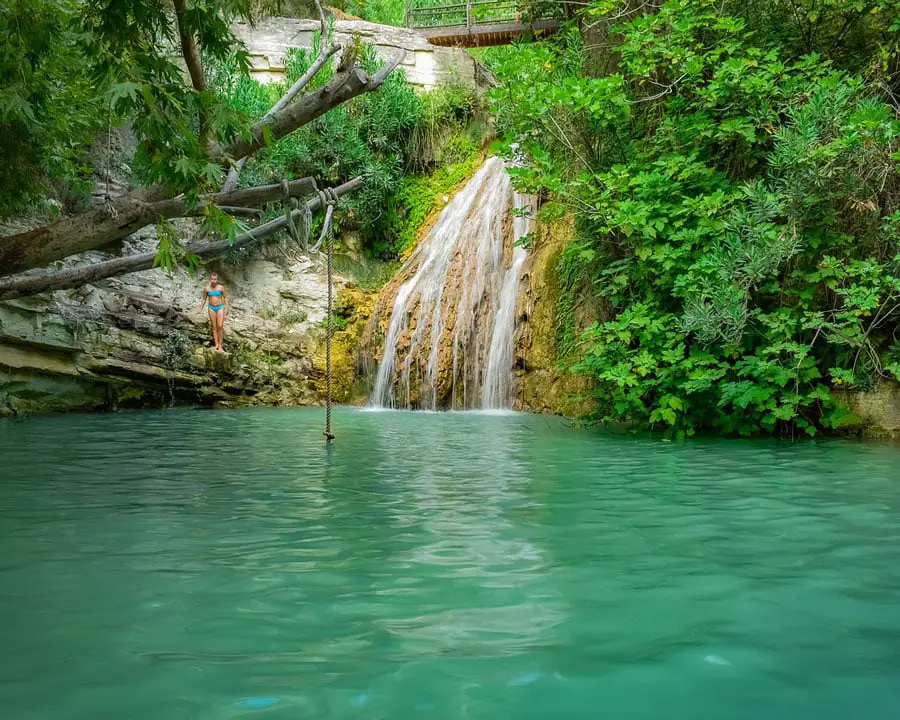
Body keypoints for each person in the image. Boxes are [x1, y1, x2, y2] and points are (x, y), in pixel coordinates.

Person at [199, 272, 229, 352]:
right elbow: (204, 298)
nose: (214, 281)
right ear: (210, 279)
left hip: (220, 307)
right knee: (214, 326)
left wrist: (227, 307)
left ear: (217, 280)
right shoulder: (206, 288)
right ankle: (216, 345)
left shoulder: (221, 287)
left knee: (220, 325)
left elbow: (225, 297)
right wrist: (200, 308)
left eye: (215, 279)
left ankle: (220, 345)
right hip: (211, 307)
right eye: (212, 279)